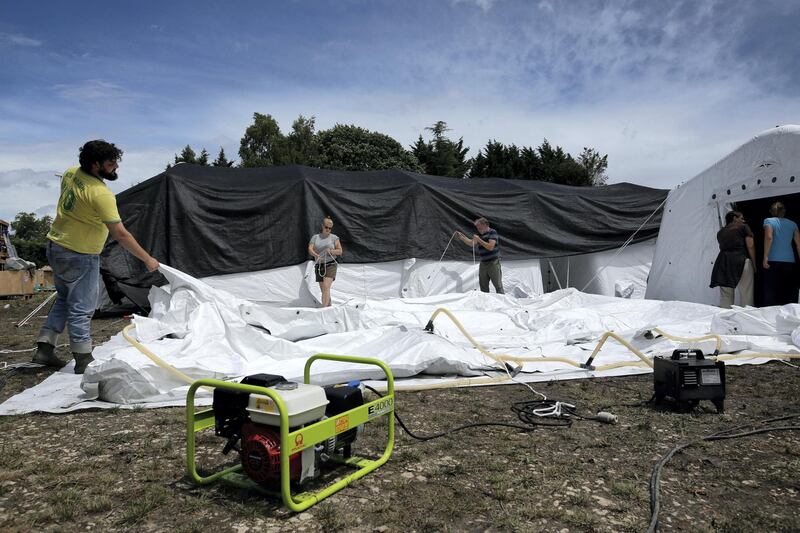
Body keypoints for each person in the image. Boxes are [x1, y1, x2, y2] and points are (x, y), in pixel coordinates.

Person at [32, 140, 160, 374]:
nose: (116, 168)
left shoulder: (71, 173)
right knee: (83, 307)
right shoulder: (100, 193)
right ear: (95, 164)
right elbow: (121, 234)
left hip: (55, 245)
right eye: (111, 163)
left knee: (64, 298)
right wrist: (147, 259)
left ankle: (45, 348)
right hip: (79, 253)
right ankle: (83, 359)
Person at [709, 211, 756, 308]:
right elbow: (750, 245)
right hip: (741, 259)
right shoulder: (744, 227)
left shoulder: (720, 232)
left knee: (726, 295)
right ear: (734, 218)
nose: (744, 220)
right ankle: (746, 319)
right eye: (742, 218)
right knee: (746, 292)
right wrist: (754, 263)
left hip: (723, 262)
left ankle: (726, 319)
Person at [762, 201, 800, 306]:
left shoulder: (768, 220)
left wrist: (765, 256)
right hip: (789, 260)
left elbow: (769, 237)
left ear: (772, 211)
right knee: (786, 289)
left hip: (772, 259)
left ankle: (771, 315)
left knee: (771, 289)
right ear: (784, 211)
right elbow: (798, 244)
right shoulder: (793, 224)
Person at [456, 217, 504, 294]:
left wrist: (479, 240)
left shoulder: (492, 232)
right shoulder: (479, 235)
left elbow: (490, 247)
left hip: (493, 262)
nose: (478, 229)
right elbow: (471, 243)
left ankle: (502, 301)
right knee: (483, 286)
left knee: (498, 285)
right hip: (483, 263)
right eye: (477, 228)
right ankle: (484, 303)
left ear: (485, 225)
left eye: (480, 228)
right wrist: (462, 237)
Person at [308, 216, 343, 307]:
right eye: (326, 227)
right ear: (322, 226)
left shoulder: (334, 238)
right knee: (323, 289)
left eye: (330, 228)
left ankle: (323, 310)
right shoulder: (315, 237)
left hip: (331, 264)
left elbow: (340, 251)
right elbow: (310, 249)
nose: (328, 229)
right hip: (319, 265)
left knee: (326, 287)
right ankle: (329, 306)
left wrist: (331, 251)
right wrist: (316, 255)